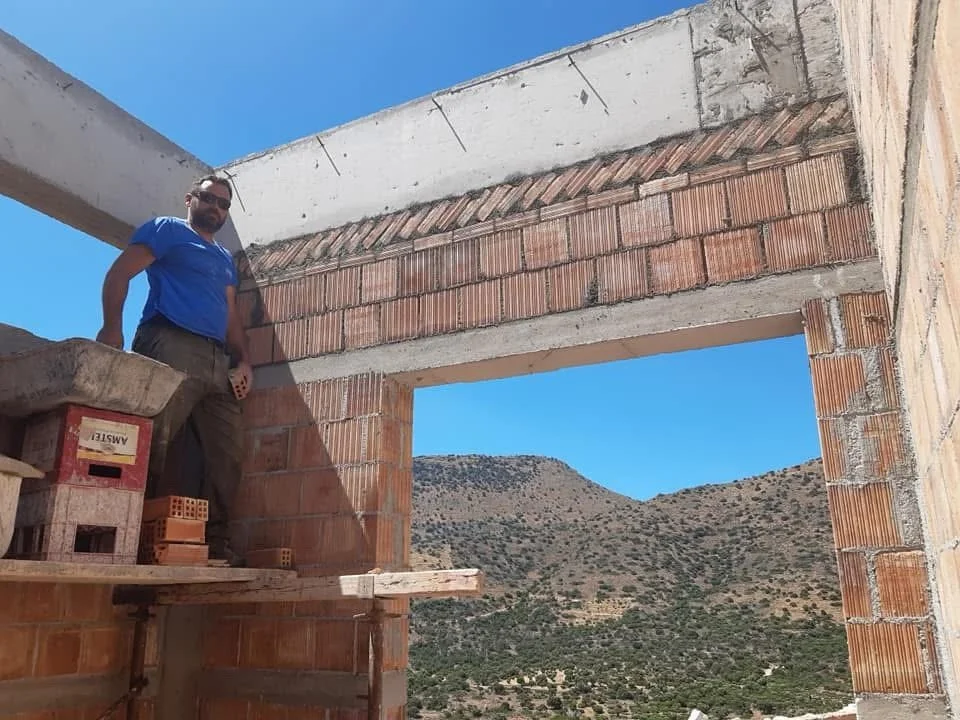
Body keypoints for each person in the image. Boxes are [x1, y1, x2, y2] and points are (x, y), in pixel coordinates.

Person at [96, 175, 252, 566]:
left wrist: (245, 360)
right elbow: (119, 273)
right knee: (154, 440)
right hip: (170, 342)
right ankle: (127, 538)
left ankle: (216, 544)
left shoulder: (224, 259)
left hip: (218, 361)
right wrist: (111, 327)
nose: (215, 207)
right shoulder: (166, 229)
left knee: (227, 453)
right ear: (190, 198)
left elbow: (230, 314)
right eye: (209, 198)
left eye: (223, 204)